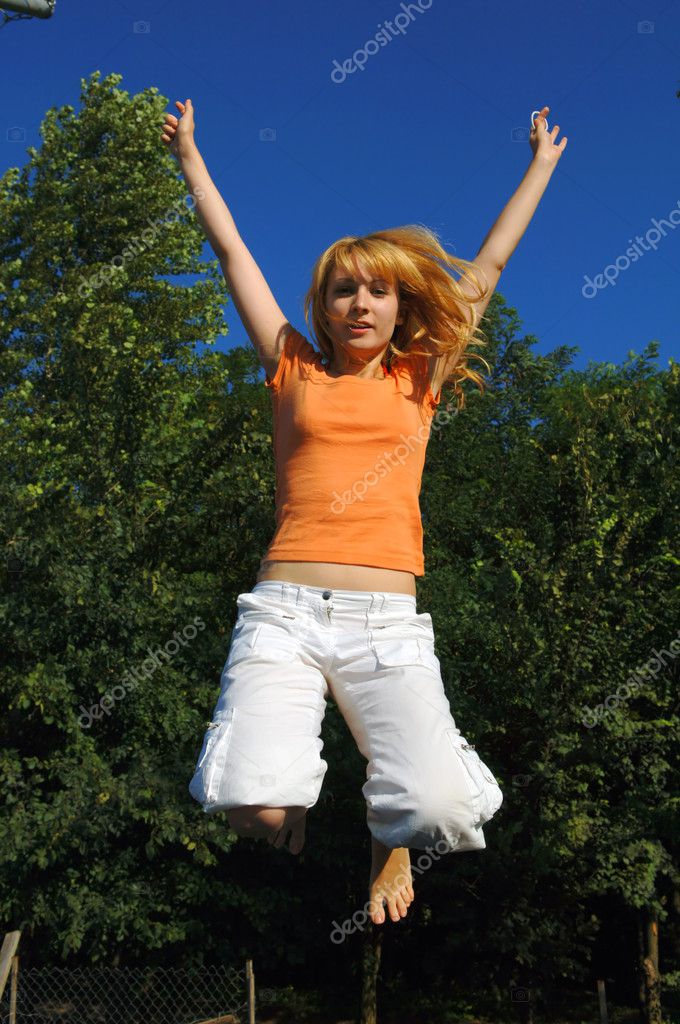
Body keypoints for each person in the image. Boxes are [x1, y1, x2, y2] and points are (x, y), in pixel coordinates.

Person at [161, 99, 567, 927]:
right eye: (344, 289)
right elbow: (233, 250)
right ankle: (298, 798)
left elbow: (487, 266)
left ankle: (391, 835)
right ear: (323, 303)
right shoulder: (292, 368)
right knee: (256, 812)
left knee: (436, 821)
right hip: (284, 612)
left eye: (378, 291)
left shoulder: (420, 376)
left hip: (386, 617)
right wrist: (192, 161)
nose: (360, 303)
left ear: (399, 306)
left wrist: (541, 167)